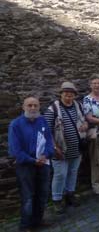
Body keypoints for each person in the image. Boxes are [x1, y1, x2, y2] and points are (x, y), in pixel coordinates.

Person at [8, 97, 54, 231]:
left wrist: (45, 155)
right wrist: (33, 160)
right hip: (25, 166)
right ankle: (25, 226)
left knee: (43, 193)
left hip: (43, 163)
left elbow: (49, 142)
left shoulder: (42, 121)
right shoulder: (15, 125)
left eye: (35, 105)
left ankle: (38, 221)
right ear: (23, 107)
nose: (33, 108)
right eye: (29, 105)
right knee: (28, 197)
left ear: (39, 107)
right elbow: (15, 150)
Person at [44, 82, 87, 214]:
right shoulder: (53, 109)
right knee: (60, 175)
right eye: (66, 95)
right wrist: (54, 147)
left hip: (77, 147)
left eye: (71, 95)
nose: (68, 97)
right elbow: (46, 130)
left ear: (74, 95)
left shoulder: (78, 105)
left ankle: (70, 195)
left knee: (72, 172)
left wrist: (85, 124)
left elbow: (84, 120)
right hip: (60, 149)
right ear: (61, 94)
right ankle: (57, 200)